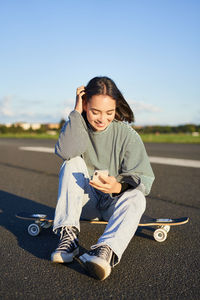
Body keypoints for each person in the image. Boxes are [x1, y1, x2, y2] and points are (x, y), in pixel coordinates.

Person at [51, 76, 155, 280]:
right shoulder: (78, 124)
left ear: (116, 108)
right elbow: (65, 151)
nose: (102, 119)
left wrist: (119, 186)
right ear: (86, 105)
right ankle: (69, 239)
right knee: (71, 162)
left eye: (109, 112)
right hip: (84, 202)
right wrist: (75, 112)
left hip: (111, 204)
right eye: (94, 111)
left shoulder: (127, 134)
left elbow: (145, 180)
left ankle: (104, 251)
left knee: (137, 197)